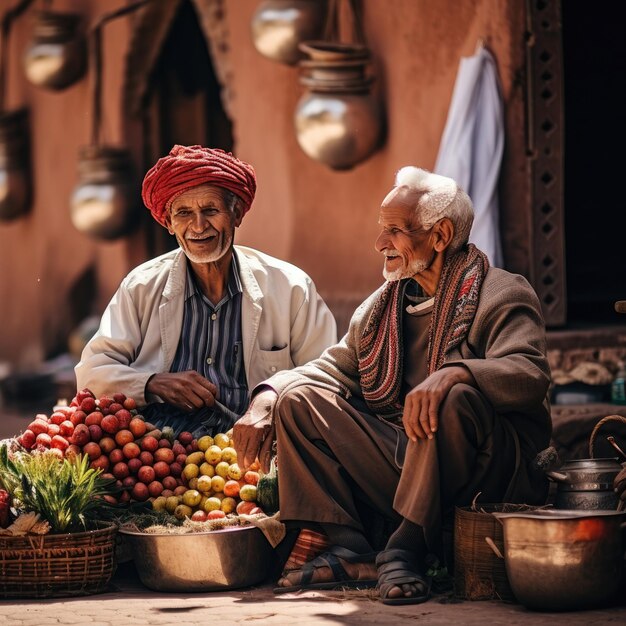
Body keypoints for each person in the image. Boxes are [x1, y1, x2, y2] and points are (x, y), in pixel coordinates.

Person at [234, 166, 552, 605]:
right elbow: (331, 368)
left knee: (453, 396)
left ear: (440, 236)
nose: (379, 244)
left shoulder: (501, 293)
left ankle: (404, 548)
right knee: (299, 400)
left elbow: (530, 373)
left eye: (395, 232)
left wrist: (455, 373)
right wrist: (266, 398)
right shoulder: (381, 308)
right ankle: (352, 547)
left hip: (486, 470)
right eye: (381, 230)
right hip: (407, 457)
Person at [75, 145, 337, 436]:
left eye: (211, 210)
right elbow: (91, 374)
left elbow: (324, 378)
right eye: (184, 213)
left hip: (261, 446)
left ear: (236, 214)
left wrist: (273, 396)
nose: (198, 226)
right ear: (169, 223)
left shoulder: (291, 288)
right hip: (159, 449)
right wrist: (152, 383)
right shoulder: (141, 286)